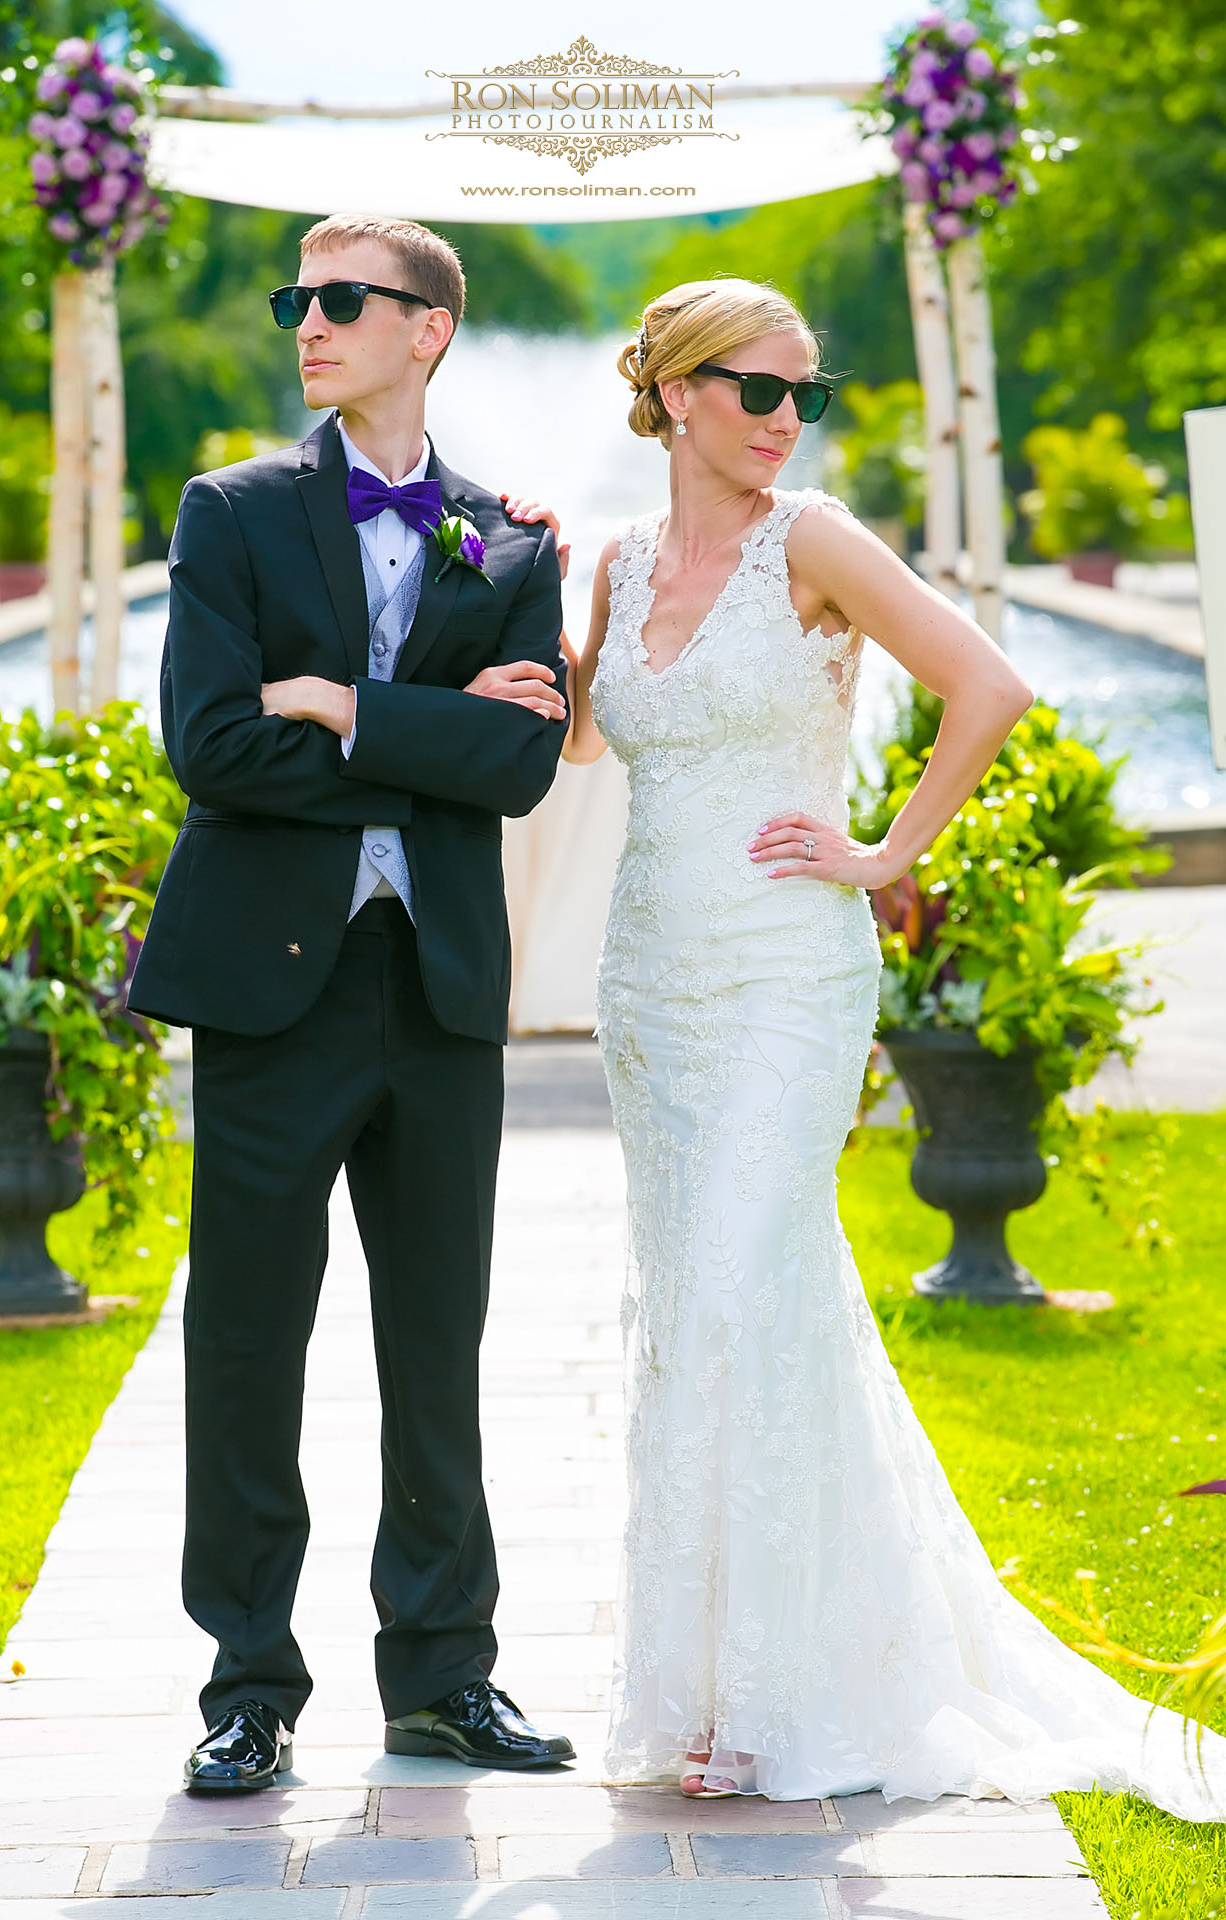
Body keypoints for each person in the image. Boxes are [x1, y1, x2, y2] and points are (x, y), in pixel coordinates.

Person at [509, 275, 1226, 1816]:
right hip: (653, 981)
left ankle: (779, 1707)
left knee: (735, 1288)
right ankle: (714, 1688)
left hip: (786, 969)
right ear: (680, 395)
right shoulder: (622, 562)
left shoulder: (816, 539)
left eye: (803, 396)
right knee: (704, 1309)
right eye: (759, 392)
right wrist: (529, 661)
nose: (785, 420)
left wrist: (883, 846)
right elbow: (585, 735)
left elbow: (992, 683)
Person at [129, 214, 575, 1791]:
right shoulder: (234, 512)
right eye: (296, 301)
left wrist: (339, 707)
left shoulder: (515, 541)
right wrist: (420, 732)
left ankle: (446, 1677)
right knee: (247, 1342)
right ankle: (247, 1686)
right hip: (269, 989)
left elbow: (520, 766)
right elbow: (212, 747)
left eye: (340, 300)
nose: (305, 323)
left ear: (428, 328)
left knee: (436, 1342)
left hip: (441, 989)